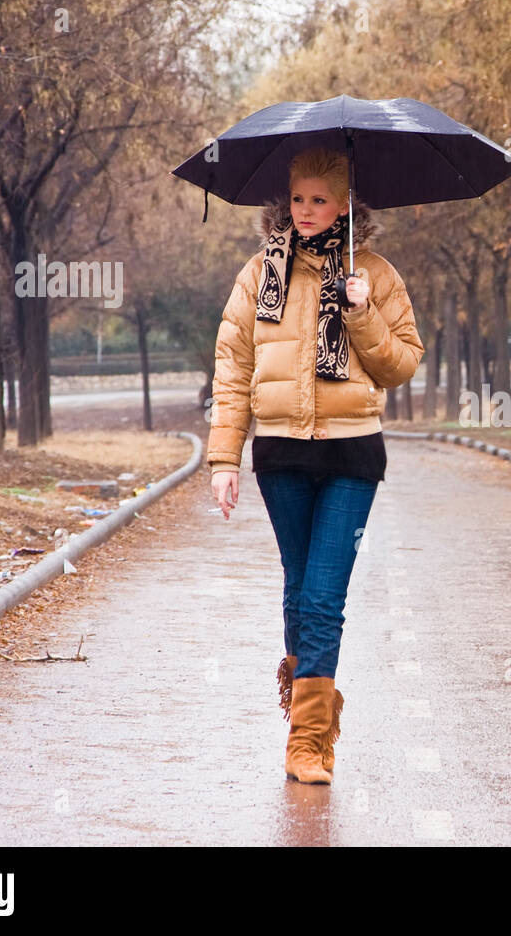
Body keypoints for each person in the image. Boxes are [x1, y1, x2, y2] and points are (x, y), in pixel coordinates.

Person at [207, 146, 424, 784]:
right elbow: (234, 367)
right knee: (299, 588)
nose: (306, 211)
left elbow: (402, 366)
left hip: (352, 454)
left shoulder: (375, 276)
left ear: (346, 205)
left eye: (320, 199)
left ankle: (308, 742)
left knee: (324, 595)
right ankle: (307, 704)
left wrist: (362, 313)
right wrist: (225, 458)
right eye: (298, 198)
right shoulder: (258, 275)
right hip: (279, 454)